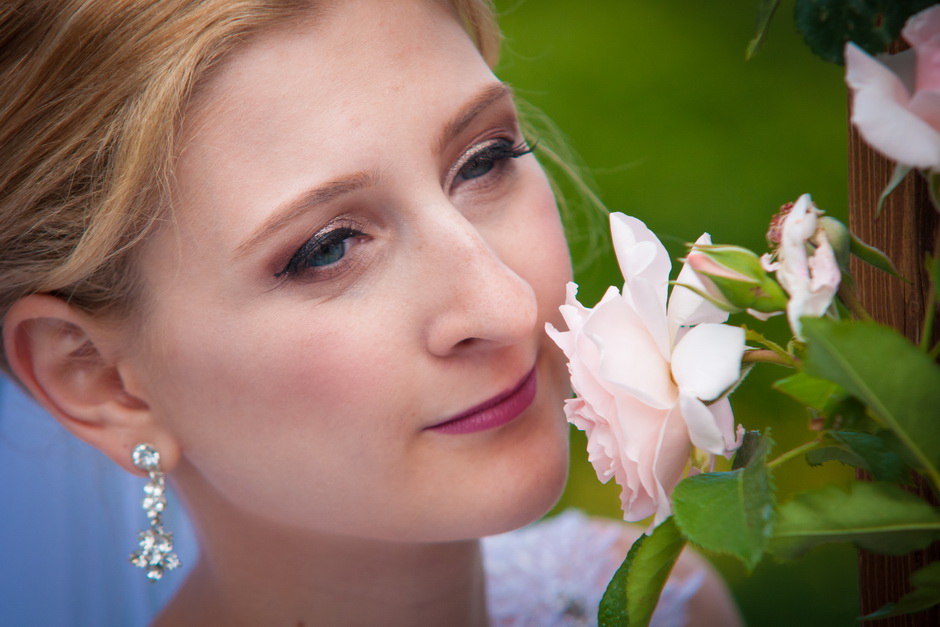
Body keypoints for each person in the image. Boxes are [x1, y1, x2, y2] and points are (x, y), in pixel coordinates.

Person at [0, 0, 742, 624]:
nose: (507, 304)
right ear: (98, 379)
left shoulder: (661, 599)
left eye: (483, 159)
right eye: (328, 248)